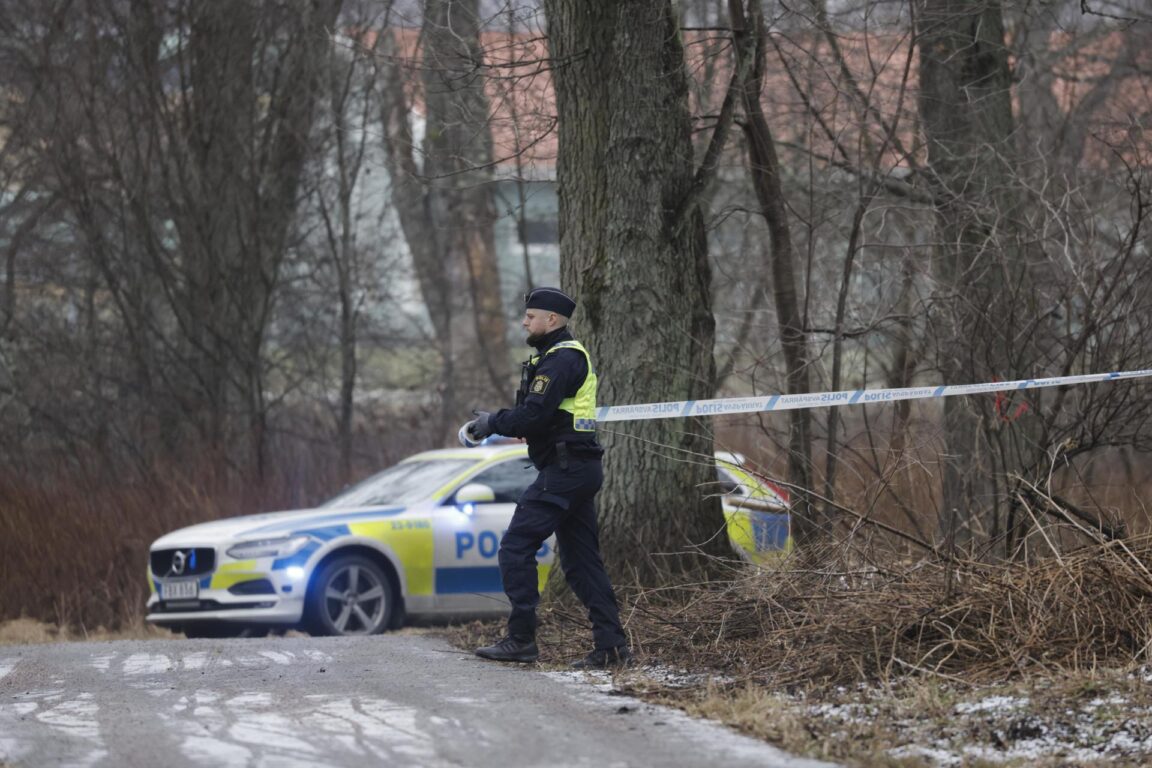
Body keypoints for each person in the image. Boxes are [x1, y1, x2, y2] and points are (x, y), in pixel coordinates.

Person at [461, 286, 633, 669]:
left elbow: (535, 415)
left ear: (551, 320)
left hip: (566, 469)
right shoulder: (557, 357)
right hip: (575, 467)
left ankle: (521, 639)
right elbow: (544, 418)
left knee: (516, 546)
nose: (524, 322)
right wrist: (509, 422)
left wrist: (491, 423)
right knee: (581, 563)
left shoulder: (561, 359)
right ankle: (612, 647)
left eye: (530, 317)